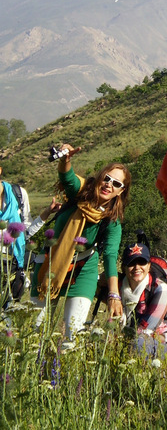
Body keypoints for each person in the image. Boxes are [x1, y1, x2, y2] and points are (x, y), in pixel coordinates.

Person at [30, 144, 131, 340]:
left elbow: (110, 256)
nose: (109, 185)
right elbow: (67, 178)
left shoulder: (112, 220)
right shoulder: (81, 191)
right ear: (100, 177)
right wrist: (65, 159)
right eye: (107, 179)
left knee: (72, 334)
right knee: (36, 331)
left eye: (116, 184)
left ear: (121, 191)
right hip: (50, 264)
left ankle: (61, 369)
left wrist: (113, 295)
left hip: (83, 269)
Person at [0, 166, 60, 304]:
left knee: (7, 312)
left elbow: (25, 231)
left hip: (13, 265)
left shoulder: (18, 194)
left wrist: (46, 213)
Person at [118, 240, 167, 357]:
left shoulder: (160, 288)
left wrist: (120, 339)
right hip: (130, 338)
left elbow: (147, 328)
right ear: (124, 267)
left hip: (162, 339)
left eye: (142, 262)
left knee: (139, 344)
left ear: (149, 265)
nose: (137, 267)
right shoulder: (117, 288)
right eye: (131, 263)